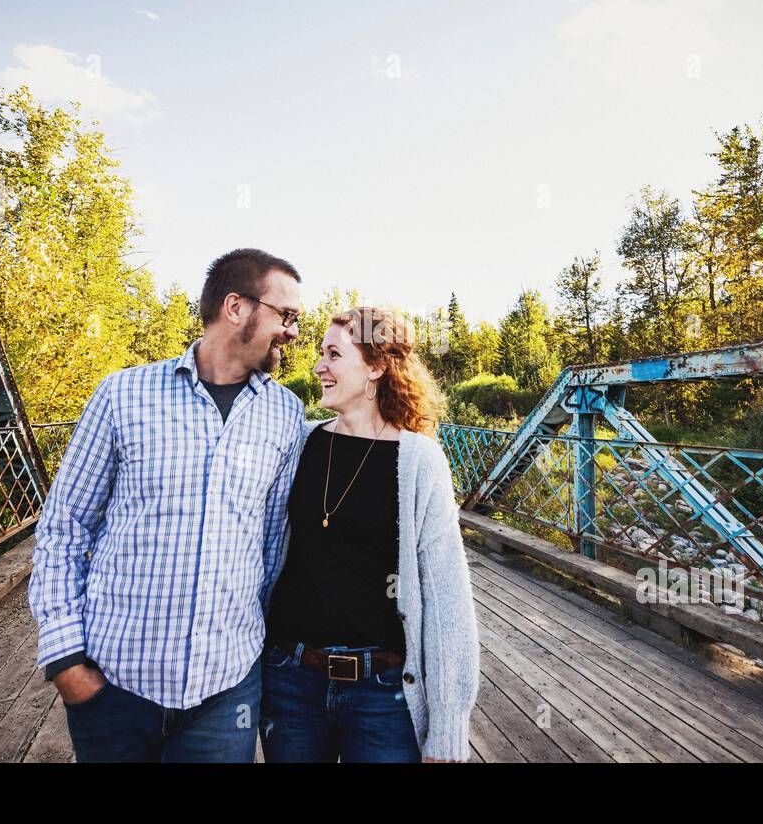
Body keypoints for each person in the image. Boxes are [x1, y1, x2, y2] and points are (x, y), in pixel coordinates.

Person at [27, 248, 306, 762]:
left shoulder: (286, 413)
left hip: (226, 690)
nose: (292, 331)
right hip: (114, 685)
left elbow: (271, 544)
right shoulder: (121, 395)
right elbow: (65, 528)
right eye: (286, 316)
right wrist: (65, 661)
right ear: (236, 308)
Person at [260, 306, 480, 762]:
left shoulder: (419, 461)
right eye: (321, 353)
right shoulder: (299, 442)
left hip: (382, 692)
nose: (319, 366)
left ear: (377, 366)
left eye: (334, 354)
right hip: (291, 678)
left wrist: (449, 724)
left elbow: (447, 597)